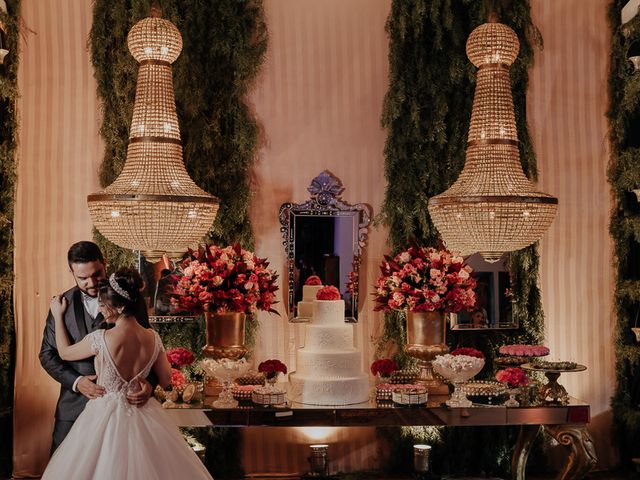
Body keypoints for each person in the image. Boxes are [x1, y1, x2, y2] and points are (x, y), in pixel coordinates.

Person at [41, 268, 213, 479]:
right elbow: (167, 379)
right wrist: (148, 384)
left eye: (104, 304)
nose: (101, 309)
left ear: (120, 306)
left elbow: (65, 353)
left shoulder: (101, 338)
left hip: (104, 413)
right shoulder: (152, 337)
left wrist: (58, 316)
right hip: (145, 413)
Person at [39, 241, 154, 452]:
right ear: (71, 272)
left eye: (96, 274)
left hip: (121, 414)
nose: (91, 283)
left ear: (105, 263)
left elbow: (148, 348)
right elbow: (47, 355)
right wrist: (77, 382)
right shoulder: (60, 304)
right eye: (82, 278)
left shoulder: (130, 300)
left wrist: (149, 386)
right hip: (72, 409)